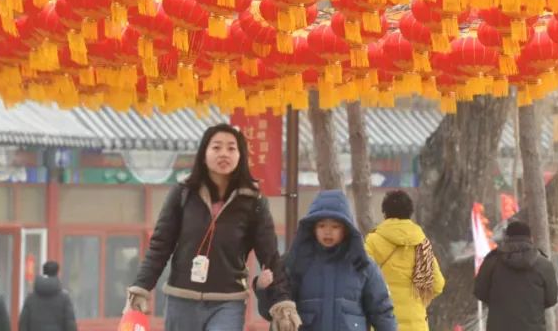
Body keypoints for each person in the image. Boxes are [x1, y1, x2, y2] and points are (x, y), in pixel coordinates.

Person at [124, 123, 298, 331]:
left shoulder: (253, 201)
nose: (224, 153)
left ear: (241, 155)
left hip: (228, 301)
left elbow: (270, 256)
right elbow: (160, 246)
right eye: (216, 147)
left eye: (231, 148)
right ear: (204, 153)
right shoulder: (183, 194)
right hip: (182, 299)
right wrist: (141, 288)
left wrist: (282, 303)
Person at [258, 189, 397, 331]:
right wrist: (263, 289)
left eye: (335, 226)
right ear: (313, 228)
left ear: (346, 229)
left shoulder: (362, 265)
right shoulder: (295, 262)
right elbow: (273, 311)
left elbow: (382, 311)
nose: (328, 231)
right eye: (322, 225)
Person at [364, 190, 444, 331]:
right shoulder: (421, 243)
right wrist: (418, 303)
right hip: (416, 324)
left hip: (383, 322)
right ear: (410, 213)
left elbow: (361, 279)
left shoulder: (373, 241)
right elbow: (437, 284)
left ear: (385, 213)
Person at [473, 219, 558, 331]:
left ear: (507, 238)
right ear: (530, 238)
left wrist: (498, 301)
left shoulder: (492, 262)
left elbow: (480, 292)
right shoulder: (544, 264)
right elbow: (551, 299)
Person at [18, 261, 77, 331]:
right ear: (58, 273)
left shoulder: (30, 298)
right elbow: (70, 324)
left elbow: (23, 323)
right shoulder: (64, 298)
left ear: (43, 272)